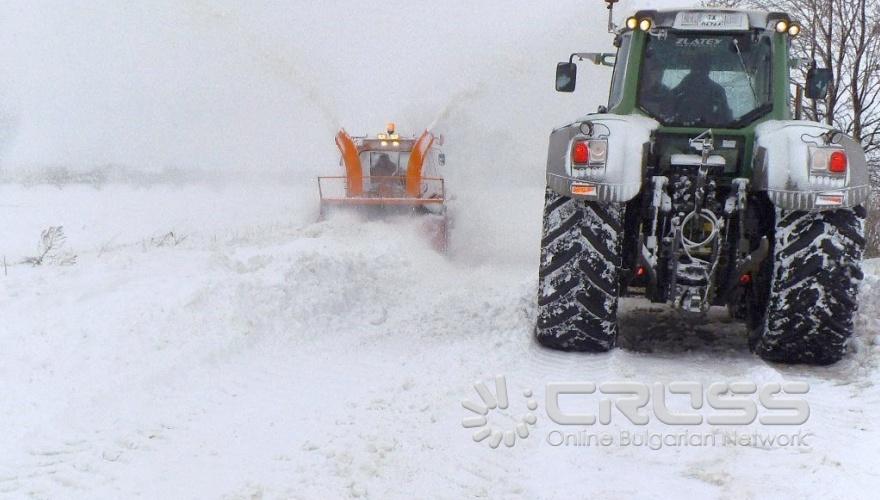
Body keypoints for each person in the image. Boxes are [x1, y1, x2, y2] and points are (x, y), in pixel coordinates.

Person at [670, 58, 732, 125]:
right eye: (695, 69)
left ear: (707, 71)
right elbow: (667, 101)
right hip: (680, 127)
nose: (698, 72)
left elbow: (726, 118)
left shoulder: (717, 91)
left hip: (710, 128)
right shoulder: (684, 86)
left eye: (701, 69)